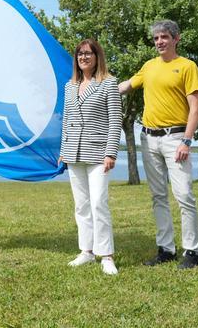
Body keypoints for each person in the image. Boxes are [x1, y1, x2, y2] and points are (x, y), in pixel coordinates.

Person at [119, 19, 198, 269]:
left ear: (176, 39)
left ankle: (192, 252)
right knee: (158, 196)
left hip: (176, 138)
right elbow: (126, 86)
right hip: (149, 138)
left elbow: (195, 108)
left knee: (184, 195)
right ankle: (166, 249)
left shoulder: (187, 67)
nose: (159, 42)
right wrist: (102, 89)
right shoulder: (148, 66)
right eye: (156, 38)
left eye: (164, 37)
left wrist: (187, 141)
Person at [59, 39, 122, 275]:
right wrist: (63, 150)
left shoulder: (108, 83)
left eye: (88, 53)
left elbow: (115, 121)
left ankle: (106, 255)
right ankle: (86, 251)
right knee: (81, 205)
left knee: (98, 203)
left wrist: (111, 153)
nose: (84, 57)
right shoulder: (70, 86)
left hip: (98, 153)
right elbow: (66, 119)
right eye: (80, 54)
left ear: (97, 57)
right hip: (73, 153)